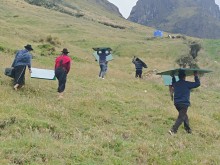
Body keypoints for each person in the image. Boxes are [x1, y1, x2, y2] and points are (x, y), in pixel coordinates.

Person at [169, 71, 200, 135]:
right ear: (184, 77)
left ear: (179, 77)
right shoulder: (187, 84)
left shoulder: (176, 84)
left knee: (184, 115)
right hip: (184, 104)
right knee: (181, 117)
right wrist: (196, 76)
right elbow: (197, 84)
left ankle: (188, 130)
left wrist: (173, 77)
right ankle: (173, 130)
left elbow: (173, 83)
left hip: (176, 103)